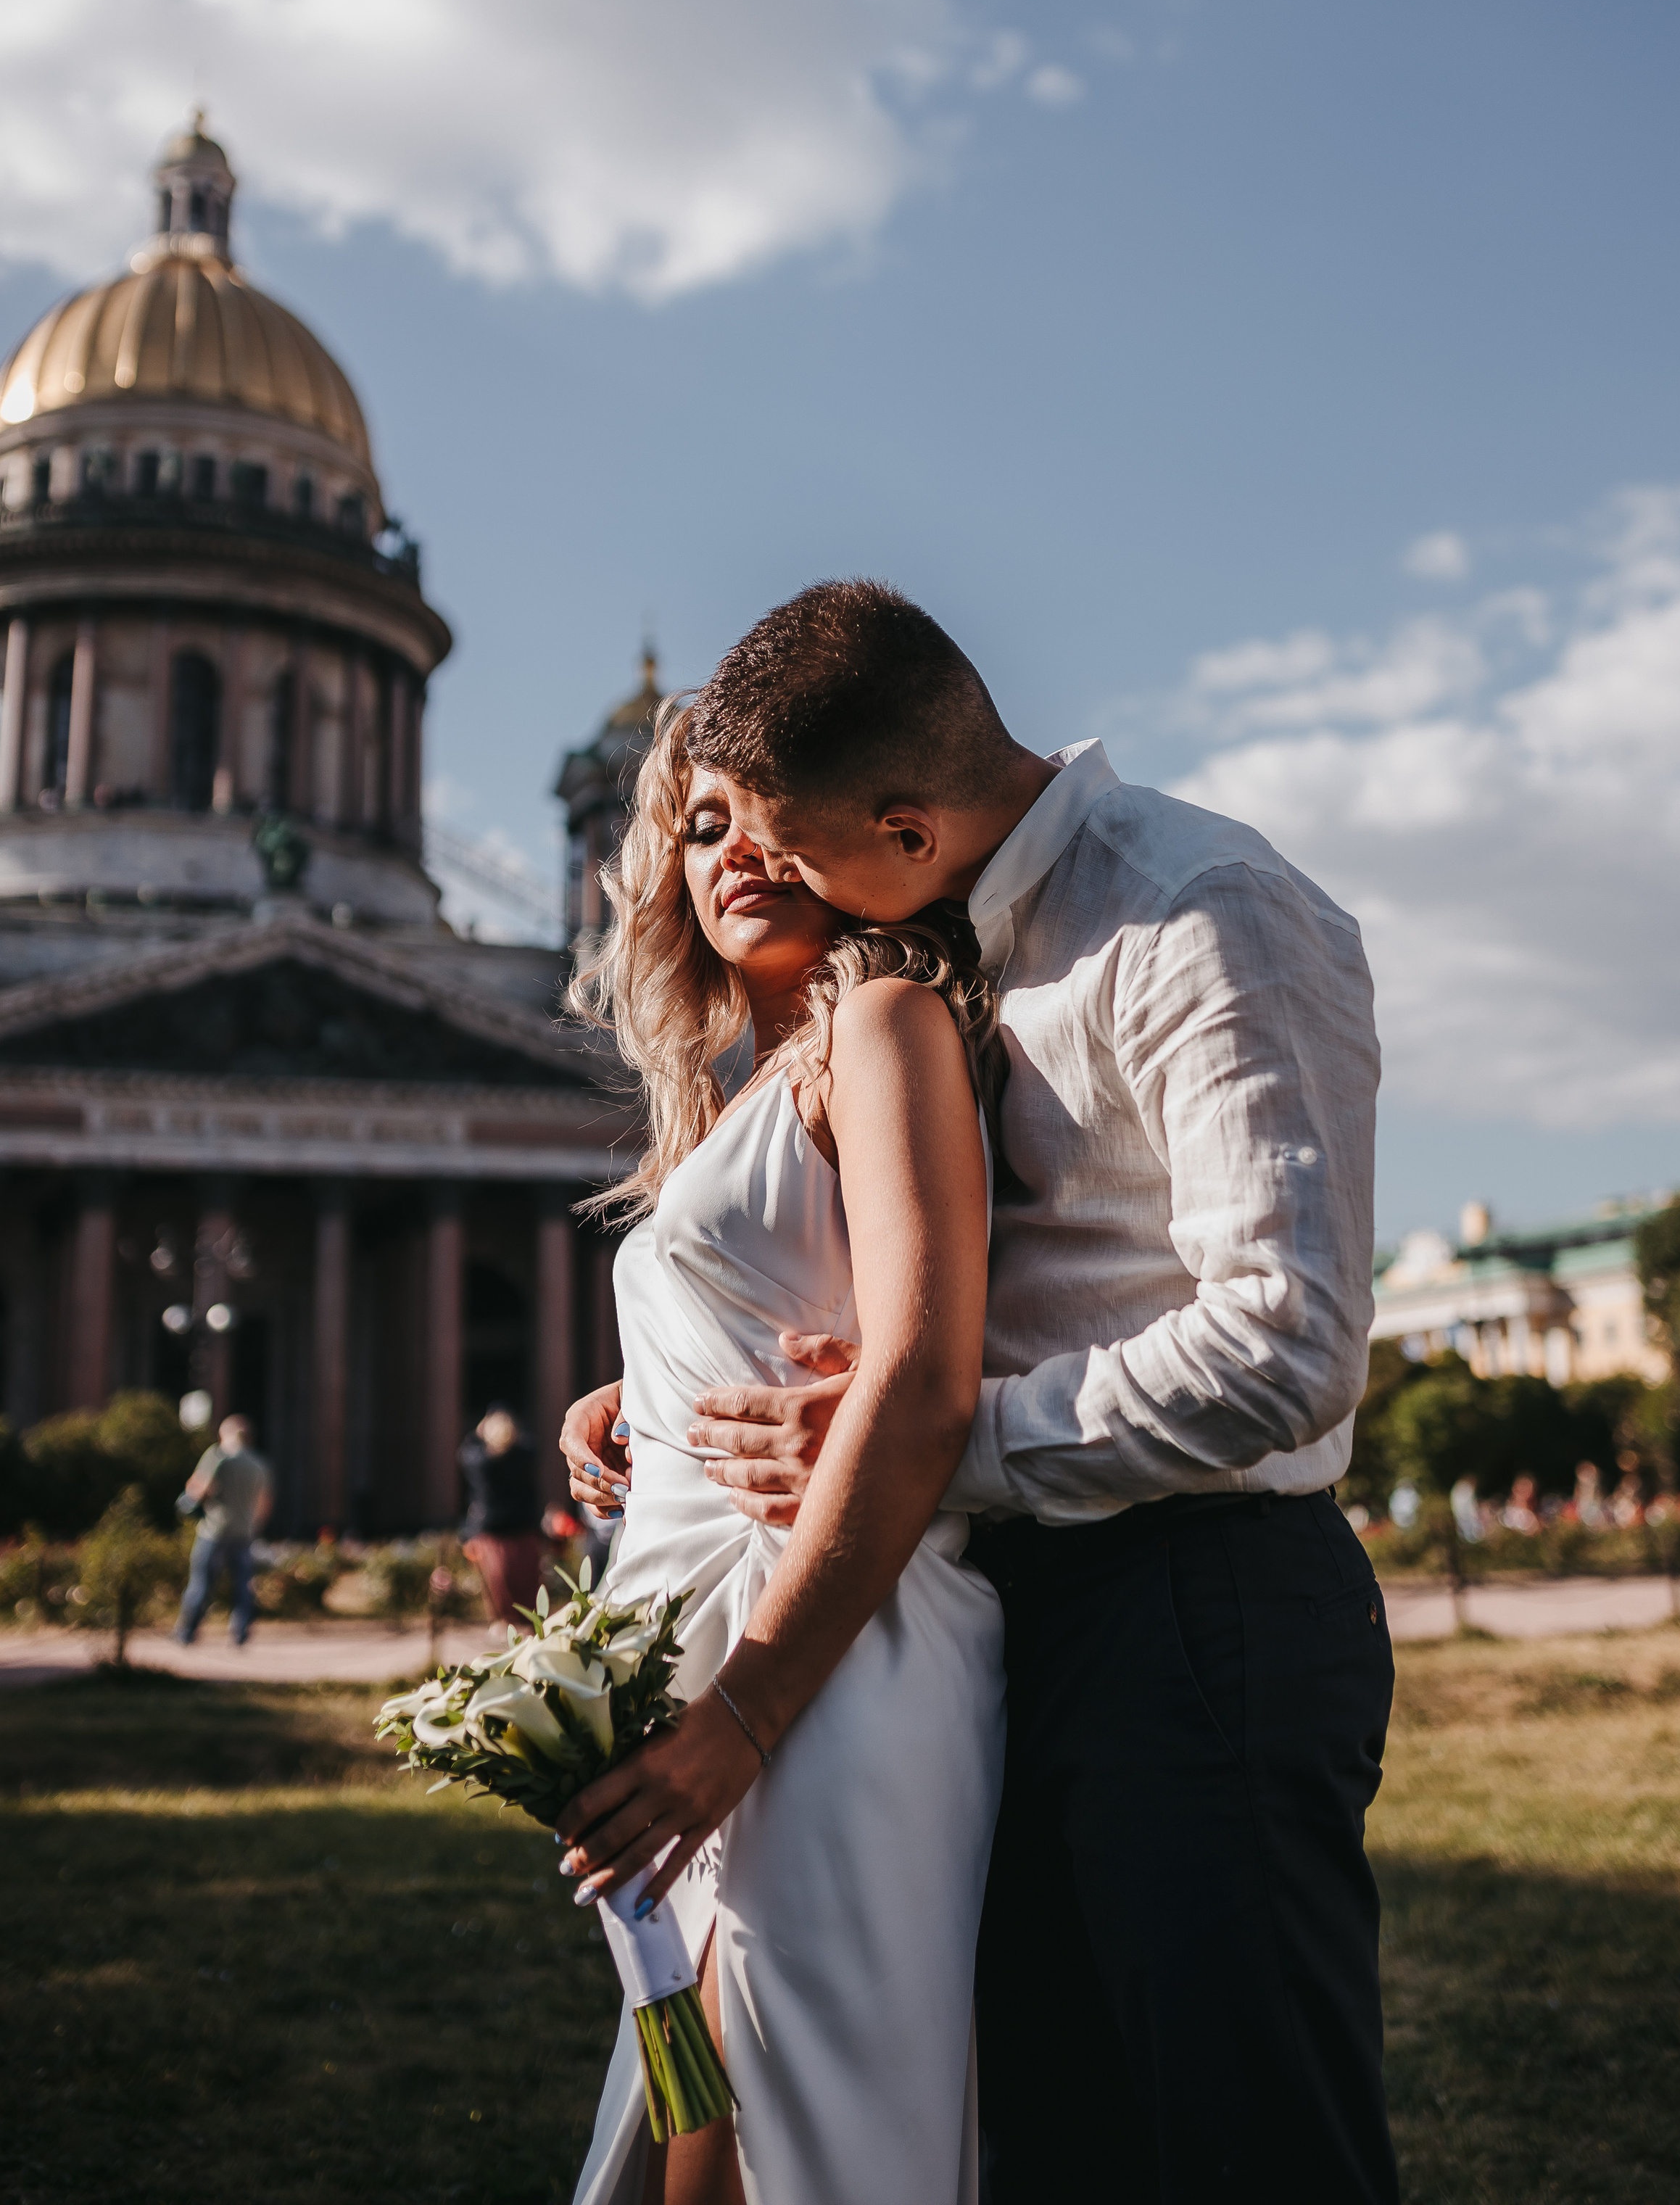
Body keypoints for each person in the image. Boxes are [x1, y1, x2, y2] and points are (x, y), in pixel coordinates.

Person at [566, 582, 1397, 2205]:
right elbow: (885, 1276)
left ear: (896, 819)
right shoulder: (945, 941)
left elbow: (1287, 1343)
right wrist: (665, 1401)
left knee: (1244, 2140)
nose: (758, 874)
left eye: (791, 850)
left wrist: (928, 1443)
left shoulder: (1195, 907)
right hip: (999, 1603)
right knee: (1045, 2142)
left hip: (1192, 1602)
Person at [558, 699, 1004, 2205]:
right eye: (696, 827)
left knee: (792, 2119)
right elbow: (780, 1303)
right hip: (711, 1646)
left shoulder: (877, 1025)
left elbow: (922, 1364)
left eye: (764, 814)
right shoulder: (724, 1096)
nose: (733, 851)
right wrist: (630, 1403)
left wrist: (740, 1720)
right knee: (699, 2100)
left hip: (826, 1648)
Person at [173, 1412, 272, 1646]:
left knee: (201, 1582)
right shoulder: (260, 1464)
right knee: (243, 1585)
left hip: (214, 1530)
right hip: (244, 1532)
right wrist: (253, 1526)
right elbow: (265, 1503)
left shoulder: (218, 1456)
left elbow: (199, 1489)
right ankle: (240, 1633)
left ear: (226, 1434)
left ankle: (187, 1632)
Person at [458, 1407, 545, 1628]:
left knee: (499, 1585)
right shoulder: (524, 1457)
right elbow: (531, 1445)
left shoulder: (481, 1463)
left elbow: (466, 1451)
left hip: (493, 1531)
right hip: (521, 1527)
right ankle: (529, 1625)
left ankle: (505, 1623)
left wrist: (477, 1433)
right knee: (526, 1583)